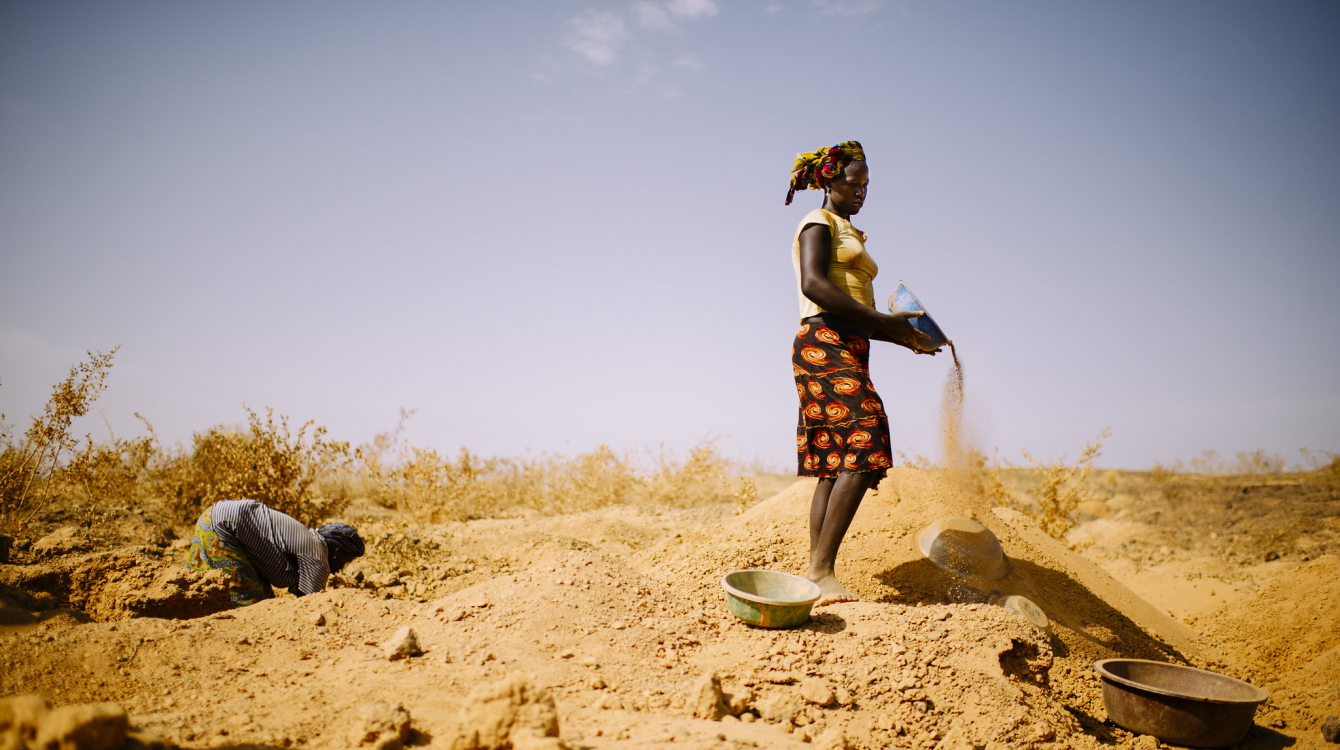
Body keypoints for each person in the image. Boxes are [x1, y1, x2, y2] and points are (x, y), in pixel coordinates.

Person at [787, 140, 936, 605]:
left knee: (834, 464)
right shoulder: (819, 222)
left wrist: (907, 337)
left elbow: (864, 314)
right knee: (867, 432)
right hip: (822, 341)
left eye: (867, 186)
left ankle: (816, 574)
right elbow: (814, 284)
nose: (862, 192)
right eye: (855, 183)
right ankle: (821, 569)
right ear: (831, 181)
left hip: (849, 342)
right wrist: (880, 323)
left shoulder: (852, 233)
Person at [186, 498, 365, 607]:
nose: (339, 570)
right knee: (251, 607)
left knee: (264, 598)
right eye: (344, 562)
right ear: (337, 552)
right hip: (224, 527)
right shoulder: (318, 557)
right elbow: (309, 605)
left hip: (211, 516)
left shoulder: (310, 541)